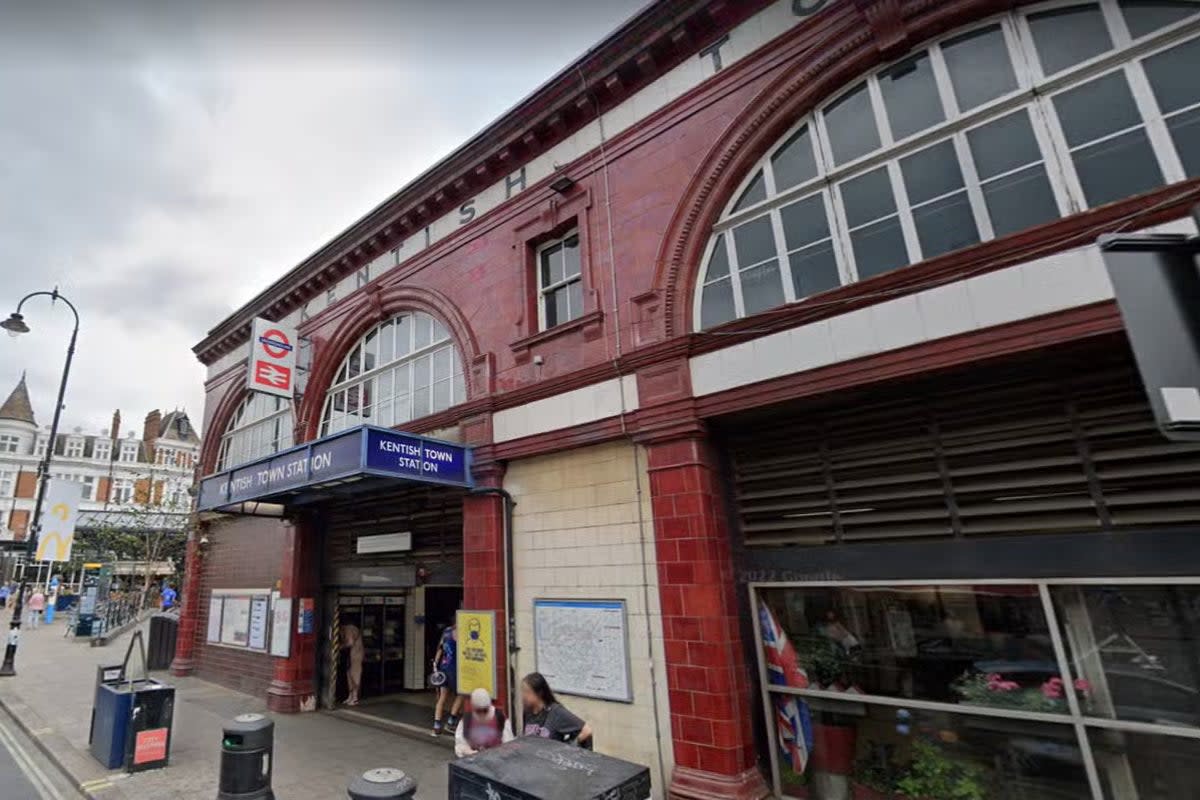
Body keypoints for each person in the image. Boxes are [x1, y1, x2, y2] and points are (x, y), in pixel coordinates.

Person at [520, 672, 592, 748]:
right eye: (523, 692)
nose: (524, 696)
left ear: (539, 693)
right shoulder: (527, 712)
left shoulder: (555, 712)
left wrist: (567, 747)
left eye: (527, 692)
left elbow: (587, 731)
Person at [454, 688, 514, 757]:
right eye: (478, 711)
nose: (482, 714)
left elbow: (508, 744)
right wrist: (468, 751)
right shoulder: (466, 720)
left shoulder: (500, 718)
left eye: (485, 710)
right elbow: (460, 744)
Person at [432, 624, 464, 736]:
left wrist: (435, 666)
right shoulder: (460, 631)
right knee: (461, 694)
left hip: (443, 667)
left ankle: (436, 726)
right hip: (454, 669)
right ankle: (451, 721)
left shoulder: (446, 631)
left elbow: (440, 649)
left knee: (442, 697)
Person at [340, 623, 364, 706]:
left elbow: (350, 643)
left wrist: (340, 646)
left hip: (356, 654)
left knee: (354, 675)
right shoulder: (348, 629)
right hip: (351, 655)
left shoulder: (349, 630)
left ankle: (355, 698)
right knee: (349, 675)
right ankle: (350, 696)